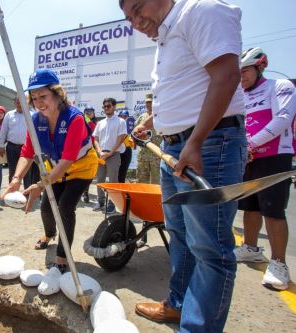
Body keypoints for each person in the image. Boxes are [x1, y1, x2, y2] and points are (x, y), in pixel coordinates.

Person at [121, 0, 246, 331]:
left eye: (137, 8)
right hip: (176, 150)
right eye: (128, 17)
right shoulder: (166, 36)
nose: (135, 21)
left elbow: (226, 76)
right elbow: (187, 90)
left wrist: (195, 142)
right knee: (179, 234)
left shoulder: (200, 11)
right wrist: (153, 122)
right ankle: (178, 305)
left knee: (210, 250)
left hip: (208, 147)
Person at [1, 69, 98, 272]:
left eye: (43, 96)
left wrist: (38, 185)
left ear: (57, 93)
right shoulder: (36, 120)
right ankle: (49, 234)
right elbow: (27, 152)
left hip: (80, 168)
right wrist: (16, 179)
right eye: (34, 98)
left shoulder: (75, 118)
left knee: (64, 208)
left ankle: (62, 256)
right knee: (46, 207)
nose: (38, 103)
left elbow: (68, 160)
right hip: (54, 168)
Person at [234, 48, 295, 290]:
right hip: (247, 158)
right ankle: (251, 248)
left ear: (260, 67)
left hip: (274, 156)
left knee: (273, 210)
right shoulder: (239, 94)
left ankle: (279, 263)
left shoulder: (280, 86)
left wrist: (249, 144)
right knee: (249, 206)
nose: (241, 76)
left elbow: (282, 119)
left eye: (245, 71)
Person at [92, 97, 127, 213]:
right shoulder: (100, 123)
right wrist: (99, 152)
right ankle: (101, 202)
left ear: (114, 107)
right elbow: (95, 139)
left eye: (108, 106)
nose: (106, 108)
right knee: (100, 179)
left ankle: (112, 203)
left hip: (114, 154)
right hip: (101, 154)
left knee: (113, 180)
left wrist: (110, 153)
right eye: (104, 106)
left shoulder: (120, 121)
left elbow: (121, 139)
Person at [135, 93, 162, 184]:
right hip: (143, 155)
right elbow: (135, 133)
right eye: (147, 102)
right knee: (142, 182)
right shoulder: (141, 118)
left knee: (156, 183)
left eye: (150, 102)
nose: (148, 104)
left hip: (157, 155)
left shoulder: (160, 117)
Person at [82, 105, 97, 203]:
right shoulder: (81, 122)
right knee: (81, 173)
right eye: (86, 111)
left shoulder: (97, 124)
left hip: (93, 151)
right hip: (82, 151)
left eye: (90, 111)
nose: (88, 113)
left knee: (90, 173)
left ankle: (85, 192)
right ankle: (84, 193)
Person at [117, 109, 133, 183]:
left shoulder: (131, 126)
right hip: (116, 149)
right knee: (115, 171)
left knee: (123, 170)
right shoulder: (116, 125)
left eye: (125, 116)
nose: (123, 118)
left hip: (127, 150)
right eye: (122, 116)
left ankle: (121, 188)